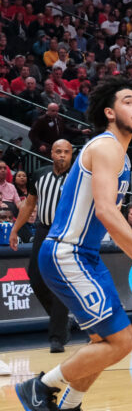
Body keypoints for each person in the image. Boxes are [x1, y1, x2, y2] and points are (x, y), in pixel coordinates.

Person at [16, 76, 132, 411]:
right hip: (66, 253)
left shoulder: (123, 156)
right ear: (109, 111)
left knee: (105, 341)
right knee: (123, 340)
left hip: (84, 255)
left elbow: (104, 215)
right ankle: (40, 388)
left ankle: (69, 410)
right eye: (129, 101)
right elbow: (105, 211)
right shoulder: (105, 147)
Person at [9, 138, 74, 352]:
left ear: (71, 155)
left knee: (59, 282)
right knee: (35, 278)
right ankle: (62, 319)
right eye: (58, 151)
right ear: (51, 154)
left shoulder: (78, 178)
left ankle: (57, 336)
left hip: (67, 233)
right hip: (43, 229)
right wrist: (15, 229)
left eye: (66, 152)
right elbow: (29, 204)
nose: (62, 155)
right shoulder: (39, 175)